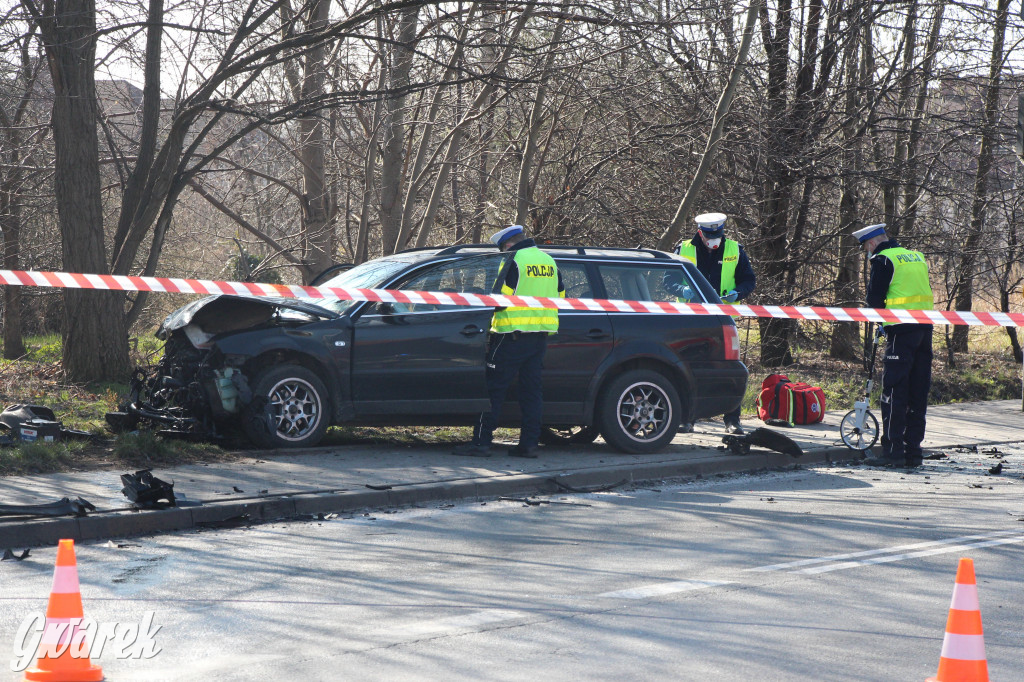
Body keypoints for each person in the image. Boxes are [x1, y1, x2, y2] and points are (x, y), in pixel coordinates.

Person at [453, 225, 565, 458]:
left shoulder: (514, 261)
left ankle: (481, 442)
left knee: (493, 389)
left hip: (510, 336)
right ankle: (529, 445)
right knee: (531, 393)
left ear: (508, 245)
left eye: (502, 249)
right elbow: (561, 296)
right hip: (539, 338)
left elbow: (501, 299)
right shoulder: (549, 261)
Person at [664, 212, 756, 434]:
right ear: (701, 233)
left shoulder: (735, 249)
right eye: (710, 235)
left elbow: (749, 280)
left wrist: (738, 292)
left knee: (728, 368)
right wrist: (683, 290)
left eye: (718, 234)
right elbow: (669, 281)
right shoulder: (683, 249)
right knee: (687, 368)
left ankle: (732, 420)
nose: (714, 239)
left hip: (723, 319)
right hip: (690, 319)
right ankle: (687, 418)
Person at [853, 223, 934, 469]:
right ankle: (914, 452)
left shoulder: (884, 259)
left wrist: (880, 322)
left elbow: (874, 299)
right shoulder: (916, 257)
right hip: (925, 329)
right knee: (918, 391)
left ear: (872, 243)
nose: (868, 253)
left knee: (894, 391)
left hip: (900, 331)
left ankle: (893, 451)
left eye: (867, 248)